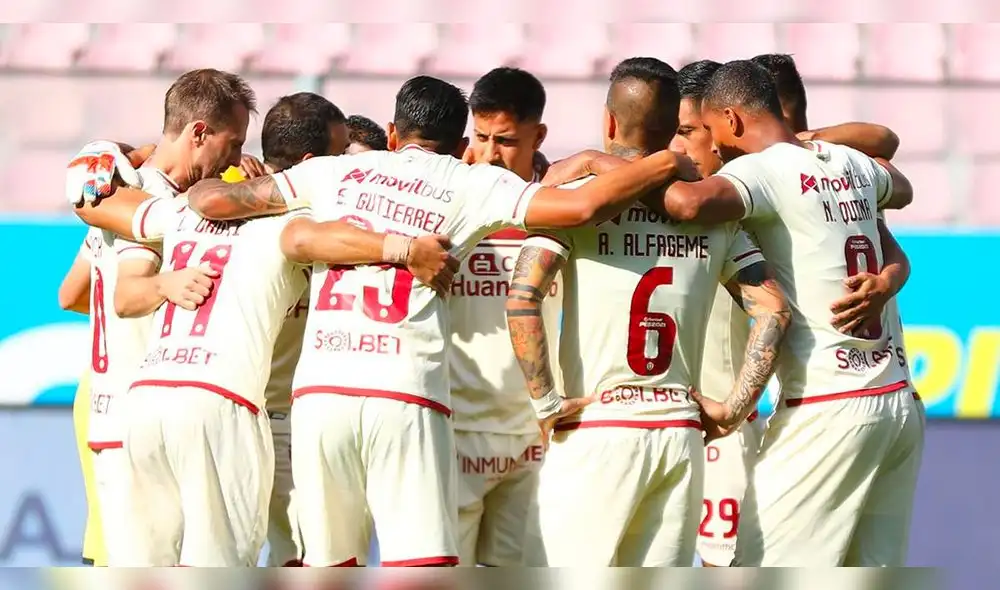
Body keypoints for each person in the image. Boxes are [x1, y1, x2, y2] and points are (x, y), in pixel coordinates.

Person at [178, 74, 698, 567]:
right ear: (458, 144)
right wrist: (666, 163)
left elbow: (213, 200)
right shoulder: (471, 184)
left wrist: (227, 176)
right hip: (406, 393)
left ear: (392, 132)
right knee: (421, 566)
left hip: (320, 397)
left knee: (328, 565)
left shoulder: (333, 172)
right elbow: (584, 207)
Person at [506, 57, 789, 567]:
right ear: (674, 130)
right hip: (678, 434)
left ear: (610, 122)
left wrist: (547, 401)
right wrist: (733, 408)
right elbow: (772, 311)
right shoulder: (710, 213)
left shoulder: (577, 201)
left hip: (599, 425)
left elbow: (523, 296)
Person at [659, 59, 922, 567]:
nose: (713, 148)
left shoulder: (759, 170)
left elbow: (686, 205)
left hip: (828, 406)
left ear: (732, 120)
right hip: (898, 403)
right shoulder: (847, 161)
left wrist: (624, 166)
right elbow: (902, 187)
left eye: (709, 131)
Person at [63, 70, 262, 565]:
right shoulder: (152, 205)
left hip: (117, 406)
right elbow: (124, 297)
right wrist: (166, 292)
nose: (237, 159)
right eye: (232, 143)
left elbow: (72, 294)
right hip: (133, 415)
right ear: (198, 133)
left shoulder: (119, 190)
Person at [451, 67, 558, 567]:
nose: (491, 153)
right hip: (453, 432)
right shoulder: (448, 197)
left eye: (507, 141)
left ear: (539, 136)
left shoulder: (565, 205)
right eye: (482, 137)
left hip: (534, 438)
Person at [256, 92, 351, 568]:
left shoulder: (216, 207)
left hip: (230, 414)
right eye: (340, 157)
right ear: (312, 165)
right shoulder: (316, 228)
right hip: (285, 422)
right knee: (307, 562)